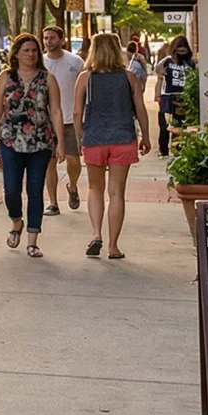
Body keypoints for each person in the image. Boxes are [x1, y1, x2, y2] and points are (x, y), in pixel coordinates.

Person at [73, 32, 150, 259]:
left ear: (93, 50)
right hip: (123, 138)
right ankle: (113, 246)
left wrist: (79, 139)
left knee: (94, 188)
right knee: (117, 193)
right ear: (118, 49)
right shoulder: (129, 78)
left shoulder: (85, 78)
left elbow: (77, 112)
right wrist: (145, 136)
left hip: (94, 138)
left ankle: (96, 234)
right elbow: (141, 110)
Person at [0, 34, 62, 258]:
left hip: (40, 141)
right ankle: (16, 221)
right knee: (11, 190)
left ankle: (32, 240)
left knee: (35, 190)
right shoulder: (5, 77)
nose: (31, 54)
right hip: (10, 140)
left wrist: (60, 143)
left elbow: (55, 111)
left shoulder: (48, 79)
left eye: (34, 51)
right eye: (26, 50)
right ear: (16, 53)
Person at [40, 26, 86, 218]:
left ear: (62, 40)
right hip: (46, 121)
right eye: (45, 38)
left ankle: (73, 186)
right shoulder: (39, 61)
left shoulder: (75, 62)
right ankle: (52, 203)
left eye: (52, 38)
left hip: (70, 118)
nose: (48, 41)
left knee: (73, 160)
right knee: (49, 163)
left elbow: (84, 88)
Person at [156, 36, 192, 156]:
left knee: (180, 125)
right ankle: (163, 150)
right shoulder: (166, 61)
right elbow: (159, 78)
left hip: (184, 96)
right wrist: (157, 95)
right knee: (164, 125)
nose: (181, 54)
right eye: (179, 51)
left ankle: (178, 149)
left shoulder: (191, 62)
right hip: (167, 96)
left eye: (184, 51)